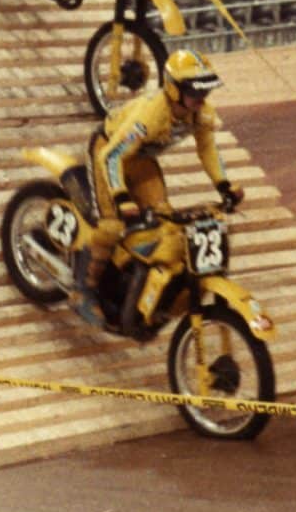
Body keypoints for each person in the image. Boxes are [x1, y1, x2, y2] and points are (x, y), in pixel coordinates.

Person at [76, 51, 244, 326]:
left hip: (140, 159)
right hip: (108, 151)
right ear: (174, 89)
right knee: (111, 226)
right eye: (194, 91)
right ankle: (85, 289)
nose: (201, 99)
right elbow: (111, 156)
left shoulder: (201, 113)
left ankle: (135, 284)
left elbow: (207, 149)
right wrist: (121, 197)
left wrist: (224, 186)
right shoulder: (151, 115)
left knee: (164, 220)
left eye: (205, 91)